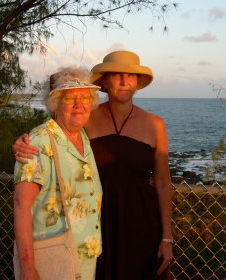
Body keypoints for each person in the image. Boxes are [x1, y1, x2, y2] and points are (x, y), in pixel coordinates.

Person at [14, 51, 173, 280]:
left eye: (130, 75)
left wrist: (167, 238)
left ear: (137, 83)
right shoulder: (87, 118)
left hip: (142, 225)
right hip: (96, 227)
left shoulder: (155, 124)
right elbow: (56, 129)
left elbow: (163, 183)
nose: (123, 80)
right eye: (116, 74)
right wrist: (24, 141)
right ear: (104, 82)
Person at [13, 66, 103, 280]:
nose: (80, 105)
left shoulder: (83, 137)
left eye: (85, 98)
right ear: (55, 104)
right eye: (71, 99)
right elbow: (21, 205)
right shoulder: (38, 141)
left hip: (86, 254)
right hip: (53, 257)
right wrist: (27, 268)